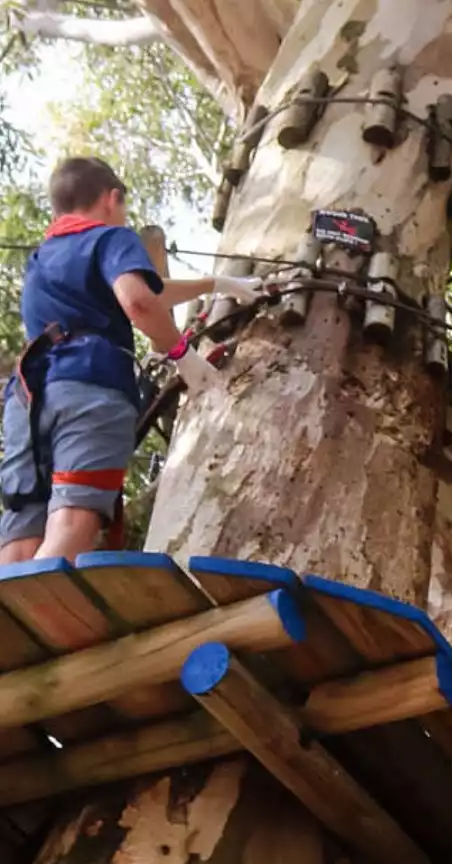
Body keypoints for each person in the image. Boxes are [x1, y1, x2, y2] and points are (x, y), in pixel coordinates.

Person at [0, 156, 262, 564]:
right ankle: (46, 620)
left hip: (28, 399)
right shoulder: (111, 238)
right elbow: (138, 301)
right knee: (72, 521)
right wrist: (181, 353)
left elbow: (145, 290)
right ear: (112, 198)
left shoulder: (42, 260)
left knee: (23, 530)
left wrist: (217, 284)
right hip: (90, 390)